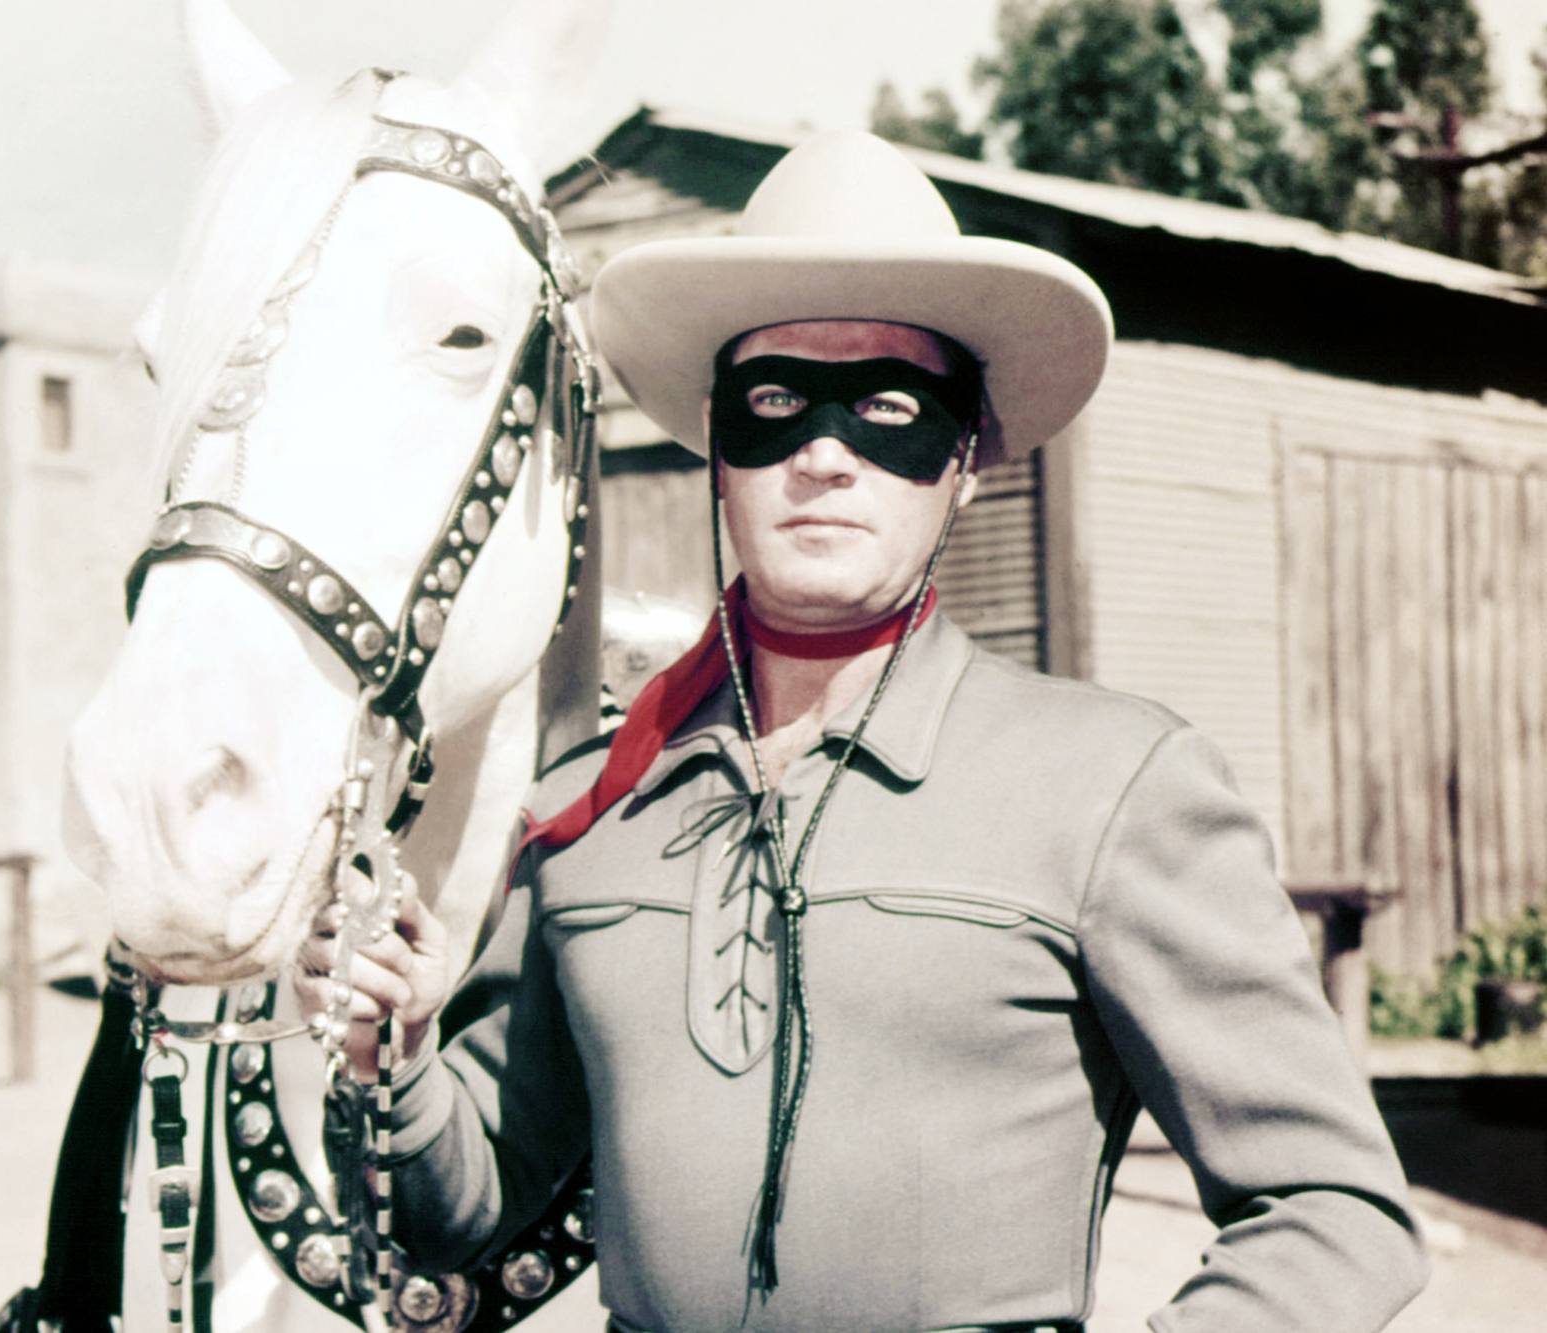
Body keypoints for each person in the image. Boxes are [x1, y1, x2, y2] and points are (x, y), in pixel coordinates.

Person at [297, 131, 1428, 1332]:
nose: (825, 455)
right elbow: (465, 1209)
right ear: (716, 448)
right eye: (775, 404)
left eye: (888, 408)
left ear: (962, 462)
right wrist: (393, 1052)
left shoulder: (1113, 786)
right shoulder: (587, 812)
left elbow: (1332, 1210)